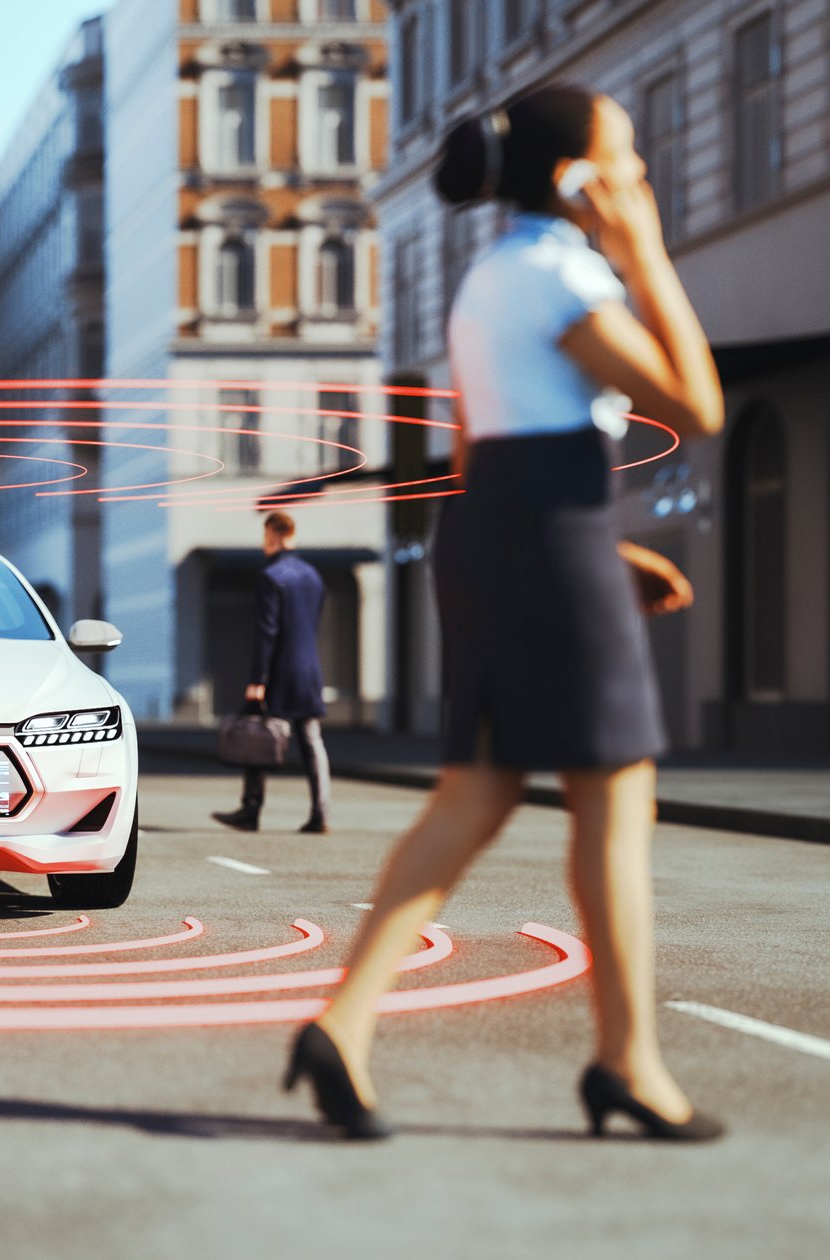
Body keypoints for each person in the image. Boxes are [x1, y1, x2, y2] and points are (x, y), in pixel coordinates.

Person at [286, 84, 724, 1143]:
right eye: (623, 157)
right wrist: (648, 251)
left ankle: (339, 1026)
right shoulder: (566, 272)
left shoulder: (490, 275)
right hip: (542, 535)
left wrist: (589, 544)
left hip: (496, 531)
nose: (638, 174)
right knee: (614, 803)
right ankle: (627, 1063)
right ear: (576, 178)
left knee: (471, 799)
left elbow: (488, 444)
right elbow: (695, 408)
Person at [213, 511, 330, 834]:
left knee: (257, 734)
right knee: (311, 741)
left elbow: (267, 632)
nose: (264, 546)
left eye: (265, 539)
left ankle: (250, 811)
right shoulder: (313, 576)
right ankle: (321, 814)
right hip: (309, 670)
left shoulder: (270, 576)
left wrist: (257, 680)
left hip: (279, 670)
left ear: (274, 537)